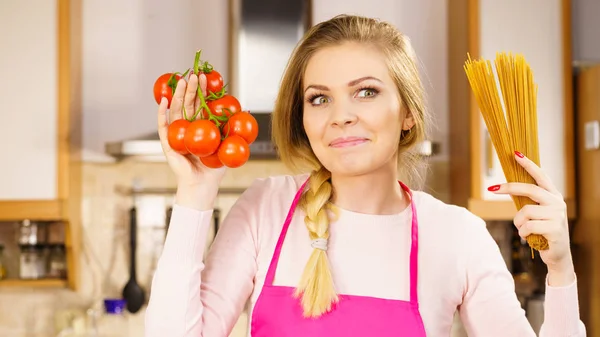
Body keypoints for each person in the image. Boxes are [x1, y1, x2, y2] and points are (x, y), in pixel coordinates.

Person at [145, 14, 586, 337]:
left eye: (366, 92)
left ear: (408, 112)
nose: (341, 117)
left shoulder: (457, 236)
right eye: (319, 99)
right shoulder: (266, 209)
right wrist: (195, 193)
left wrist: (561, 271)